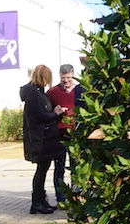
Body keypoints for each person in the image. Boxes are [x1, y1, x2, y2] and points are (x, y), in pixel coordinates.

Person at [20, 65, 66, 214]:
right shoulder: (34, 94)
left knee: (43, 169)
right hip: (39, 139)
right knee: (41, 170)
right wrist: (56, 113)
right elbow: (39, 117)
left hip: (43, 138)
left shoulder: (37, 92)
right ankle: (37, 202)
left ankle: (40, 200)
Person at [45, 63, 83, 205]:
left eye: (68, 78)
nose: (66, 81)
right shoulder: (52, 92)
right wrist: (56, 111)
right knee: (59, 167)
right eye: (63, 78)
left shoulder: (80, 90)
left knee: (76, 167)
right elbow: (46, 112)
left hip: (76, 135)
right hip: (59, 135)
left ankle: (76, 196)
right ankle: (60, 198)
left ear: (73, 76)